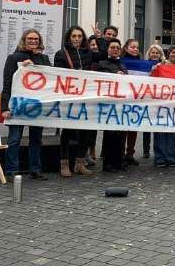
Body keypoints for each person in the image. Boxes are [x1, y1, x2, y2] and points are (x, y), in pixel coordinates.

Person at [1, 29, 51, 181]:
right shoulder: (13, 58)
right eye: (30, 38)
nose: (33, 41)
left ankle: (35, 169)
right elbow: (8, 83)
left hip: (37, 106)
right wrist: (4, 107)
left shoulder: (44, 58)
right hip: (17, 105)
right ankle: (11, 171)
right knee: (14, 140)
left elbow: (50, 79)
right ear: (24, 40)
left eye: (36, 38)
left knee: (36, 140)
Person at [53, 25, 94, 177]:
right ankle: (64, 163)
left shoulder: (88, 53)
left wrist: (98, 38)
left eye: (79, 36)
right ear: (69, 38)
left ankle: (80, 163)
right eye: (74, 36)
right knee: (67, 130)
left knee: (84, 130)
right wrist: (71, 74)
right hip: (68, 97)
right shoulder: (61, 54)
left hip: (84, 97)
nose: (77, 39)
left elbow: (102, 54)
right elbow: (56, 74)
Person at [98, 38, 128, 172]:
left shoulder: (122, 65)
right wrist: (115, 75)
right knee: (109, 134)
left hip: (119, 103)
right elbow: (103, 77)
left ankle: (117, 160)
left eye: (117, 47)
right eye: (112, 47)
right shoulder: (103, 63)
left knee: (118, 134)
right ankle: (107, 162)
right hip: (109, 103)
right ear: (108, 49)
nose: (115, 49)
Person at [152, 46, 175, 167]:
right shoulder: (160, 65)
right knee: (160, 130)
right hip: (161, 102)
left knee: (172, 131)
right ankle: (160, 157)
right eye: (173, 53)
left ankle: (171, 157)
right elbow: (150, 80)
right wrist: (154, 71)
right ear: (169, 54)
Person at [119, 38, 142, 166]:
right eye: (133, 47)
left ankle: (130, 154)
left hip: (136, 99)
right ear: (126, 48)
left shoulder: (141, 63)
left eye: (137, 47)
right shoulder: (120, 61)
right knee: (123, 129)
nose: (135, 49)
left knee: (133, 128)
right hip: (123, 98)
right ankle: (121, 154)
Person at [141, 44, 165, 159]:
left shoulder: (164, 66)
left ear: (160, 55)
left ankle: (158, 148)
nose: (155, 55)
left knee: (157, 125)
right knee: (147, 125)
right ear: (149, 54)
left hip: (159, 99)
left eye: (157, 53)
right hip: (147, 98)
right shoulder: (143, 65)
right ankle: (146, 148)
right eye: (153, 53)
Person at [83, 35, 102, 165]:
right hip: (85, 96)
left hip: (97, 97)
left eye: (96, 44)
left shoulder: (101, 60)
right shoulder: (86, 59)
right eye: (92, 44)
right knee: (84, 127)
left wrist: (100, 39)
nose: (94, 47)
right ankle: (83, 153)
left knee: (93, 127)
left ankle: (91, 150)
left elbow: (104, 53)